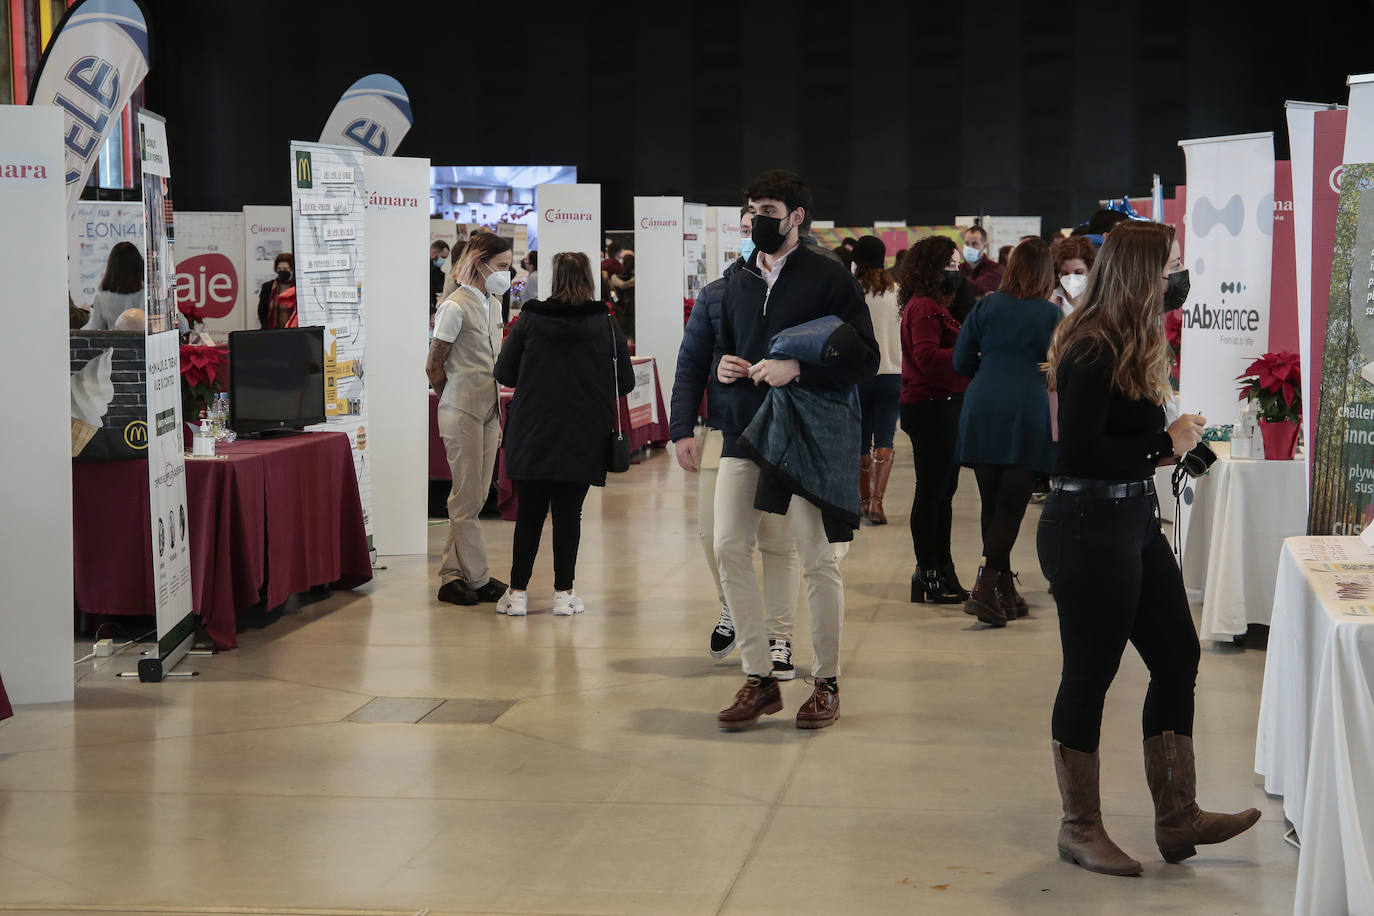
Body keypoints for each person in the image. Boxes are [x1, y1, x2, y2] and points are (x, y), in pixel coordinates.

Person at [1039, 221, 1259, 877]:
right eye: (1173, 265)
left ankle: (1177, 816)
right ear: (1142, 273)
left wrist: (1167, 444)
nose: (1180, 277)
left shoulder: (1131, 342)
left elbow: (1122, 442)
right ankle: (1079, 828)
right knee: (1090, 673)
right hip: (1087, 526)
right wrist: (1165, 444)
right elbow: (1076, 452)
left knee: (1177, 654)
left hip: (1132, 519)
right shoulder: (1091, 347)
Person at [712, 169, 878, 731]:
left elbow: (865, 359)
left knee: (816, 559)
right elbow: (721, 347)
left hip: (807, 431)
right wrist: (725, 366)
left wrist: (798, 367)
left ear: (796, 216)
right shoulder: (737, 277)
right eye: (752, 207)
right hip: (745, 431)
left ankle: (826, 682)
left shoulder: (829, 276)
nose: (757, 217)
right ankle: (759, 678)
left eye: (768, 207)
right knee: (728, 546)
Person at [670, 206, 800, 675]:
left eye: (756, 227)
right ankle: (734, 606)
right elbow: (689, 366)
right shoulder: (715, 294)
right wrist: (681, 430)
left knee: (780, 542)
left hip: (786, 432)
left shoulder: (801, 289)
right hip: (724, 432)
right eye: (744, 229)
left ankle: (779, 637)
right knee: (716, 537)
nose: (750, 236)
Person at [491, 252, 634, 616]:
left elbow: (505, 374)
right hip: (584, 432)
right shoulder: (604, 323)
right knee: (570, 514)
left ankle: (517, 593)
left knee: (530, 515)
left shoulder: (529, 320)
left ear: (555, 279)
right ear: (589, 280)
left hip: (533, 428)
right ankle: (563, 594)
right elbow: (625, 382)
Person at [953, 237, 1061, 628]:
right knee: (1011, 508)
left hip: (982, 404)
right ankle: (985, 586)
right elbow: (1058, 368)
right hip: (1024, 408)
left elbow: (961, 360)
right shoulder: (1050, 315)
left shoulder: (984, 306)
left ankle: (1003, 589)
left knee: (992, 502)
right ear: (1047, 273)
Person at [426, 233, 513, 607]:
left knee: (474, 497)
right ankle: (477, 578)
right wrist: (452, 395)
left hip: (490, 408)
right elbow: (434, 364)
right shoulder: (454, 306)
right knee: (465, 497)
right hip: (461, 409)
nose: (507, 274)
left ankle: (450, 577)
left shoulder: (494, 305)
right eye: (503, 266)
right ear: (480, 263)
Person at [898, 235, 970, 605]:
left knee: (941, 495)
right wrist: (969, 349)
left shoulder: (929, 304)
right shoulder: (924, 307)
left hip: (941, 405)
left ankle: (941, 569)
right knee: (933, 494)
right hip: (931, 407)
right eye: (953, 265)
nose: (957, 271)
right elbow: (927, 357)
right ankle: (929, 571)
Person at [853, 235, 901, 525]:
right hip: (893, 375)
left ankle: (861, 501)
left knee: (860, 439)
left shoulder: (852, 292)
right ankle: (877, 502)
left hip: (859, 376)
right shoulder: (899, 292)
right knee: (886, 436)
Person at [83, 242, 145, 330]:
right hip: (142, 343)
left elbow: (96, 332)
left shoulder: (101, 299)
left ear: (111, 267)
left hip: (114, 343)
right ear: (138, 265)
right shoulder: (146, 295)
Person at [1049, 235, 1096, 314]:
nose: (1071, 278)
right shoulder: (1051, 300)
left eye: (1078, 272)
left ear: (1090, 270)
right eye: (1065, 273)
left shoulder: (1101, 301)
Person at [958, 224, 1004, 298]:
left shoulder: (996, 269)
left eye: (974, 244)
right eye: (967, 243)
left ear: (984, 246)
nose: (970, 247)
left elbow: (978, 288)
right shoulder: (960, 267)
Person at [256, 253, 297, 329]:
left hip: (295, 332)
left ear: (292, 269)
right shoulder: (268, 287)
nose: (281, 271)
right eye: (279, 269)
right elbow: (262, 311)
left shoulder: (298, 287)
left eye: (285, 269)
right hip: (273, 332)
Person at [430, 240, 451, 306]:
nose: (443, 261)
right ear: (434, 252)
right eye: (443, 257)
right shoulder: (424, 271)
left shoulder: (440, 274)